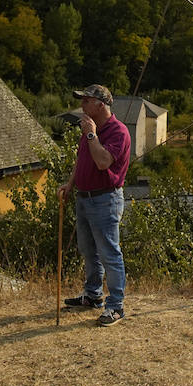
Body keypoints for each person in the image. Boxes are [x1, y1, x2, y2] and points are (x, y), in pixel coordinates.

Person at [58, 84, 131, 326]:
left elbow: (102, 162)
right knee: (88, 250)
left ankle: (116, 306)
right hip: (84, 197)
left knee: (109, 253)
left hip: (105, 199)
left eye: (87, 101)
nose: (82, 105)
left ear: (101, 105)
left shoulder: (117, 132)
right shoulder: (93, 129)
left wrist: (91, 135)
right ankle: (92, 295)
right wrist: (70, 184)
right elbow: (82, 160)